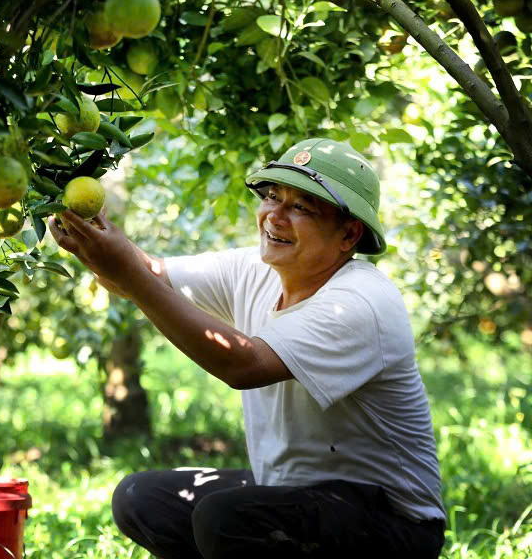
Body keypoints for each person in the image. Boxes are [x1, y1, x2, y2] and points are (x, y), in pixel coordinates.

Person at [49, 138, 446, 559]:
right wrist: (86, 229)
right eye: (273, 196)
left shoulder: (361, 302)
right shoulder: (256, 269)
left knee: (224, 519)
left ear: (349, 234)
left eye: (301, 207)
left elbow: (245, 365)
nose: (274, 216)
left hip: (394, 524)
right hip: (291, 493)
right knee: (140, 498)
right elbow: (149, 275)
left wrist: (130, 276)